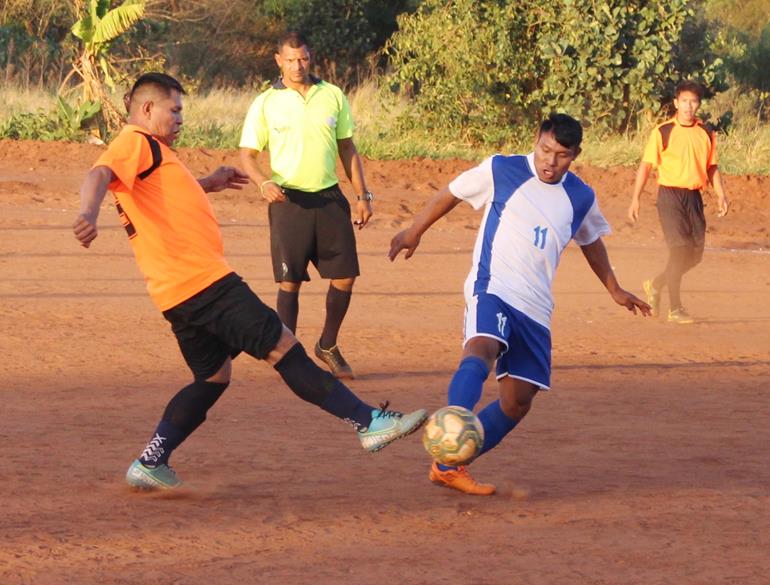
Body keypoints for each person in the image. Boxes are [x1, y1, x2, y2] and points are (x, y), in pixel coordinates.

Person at [73, 72, 426, 491]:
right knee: (283, 348)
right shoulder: (135, 142)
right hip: (205, 283)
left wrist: (208, 184)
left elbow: (157, 196)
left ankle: (151, 462)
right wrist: (88, 214)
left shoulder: (153, 153)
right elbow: (98, 176)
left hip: (173, 292)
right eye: (175, 109)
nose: (181, 117)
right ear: (148, 109)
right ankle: (368, 422)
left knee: (213, 377)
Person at [389, 113, 651, 495]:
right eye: (545, 149)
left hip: (536, 306)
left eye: (561, 155)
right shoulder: (502, 169)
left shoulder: (580, 196)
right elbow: (452, 193)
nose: (550, 160)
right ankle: (454, 419)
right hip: (493, 286)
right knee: (481, 347)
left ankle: (448, 466)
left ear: (576, 154)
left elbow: (591, 240)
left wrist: (614, 288)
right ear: (535, 139)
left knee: (517, 401)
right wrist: (414, 231)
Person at [239, 31, 373, 380]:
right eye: (290, 59)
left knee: (345, 276)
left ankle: (327, 344)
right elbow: (247, 155)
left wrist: (363, 195)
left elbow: (348, 149)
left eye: (303, 59)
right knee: (290, 282)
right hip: (287, 200)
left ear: (310, 58)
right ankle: (288, 358)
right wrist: (263, 182)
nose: (298, 66)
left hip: (329, 198)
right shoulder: (266, 102)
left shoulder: (333, 96)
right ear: (277, 60)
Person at [627, 80, 730, 324]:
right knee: (679, 250)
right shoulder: (663, 131)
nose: (688, 106)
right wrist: (635, 199)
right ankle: (675, 308)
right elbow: (645, 166)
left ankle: (656, 284)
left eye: (693, 101)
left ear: (698, 105)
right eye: (684, 101)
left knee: (694, 255)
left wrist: (721, 193)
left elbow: (712, 166)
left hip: (694, 197)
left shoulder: (705, 132)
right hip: (669, 196)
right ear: (676, 103)